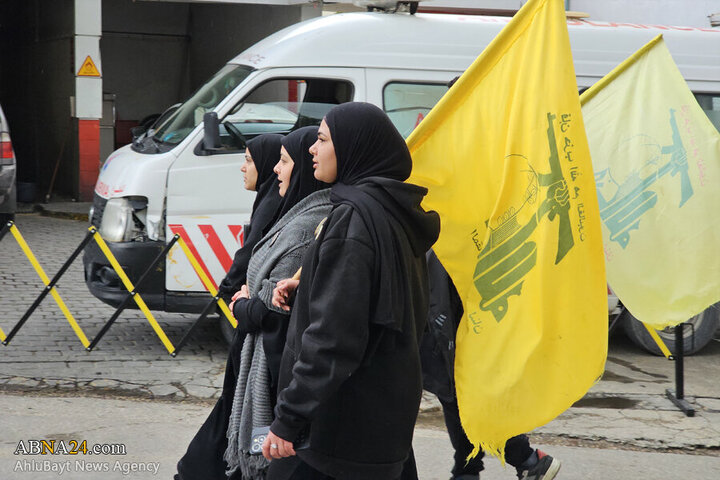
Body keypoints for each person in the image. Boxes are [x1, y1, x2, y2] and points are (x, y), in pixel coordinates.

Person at [264, 102, 440, 480]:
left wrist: (288, 417)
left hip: (341, 426)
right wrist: (310, 283)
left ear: (353, 149)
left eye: (323, 139)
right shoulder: (390, 210)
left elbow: (334, 337)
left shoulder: (353, 219)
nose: (312, 148)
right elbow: (374, 295)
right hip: (384, 414)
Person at [175, 126, 331, 480]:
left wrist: (242, 304)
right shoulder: (291, 214)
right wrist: (246, 299)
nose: (275, 169)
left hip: (276, 369)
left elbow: (271, 308)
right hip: (255, 359)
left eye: (284, 161)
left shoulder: (306, 228)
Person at [421, 250, 561, 480]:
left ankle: (527, 459)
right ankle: (469, 468)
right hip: (463, 318)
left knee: (459, 398)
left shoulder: (452, 225)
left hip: (458, 322)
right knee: (456, 396)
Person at [217, 134, 284, 301]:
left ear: (266, 162)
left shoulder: (272, 203)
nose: (243, 167)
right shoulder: (272, 195)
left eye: (249, 160)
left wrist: (228, 287)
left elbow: (250, 251)